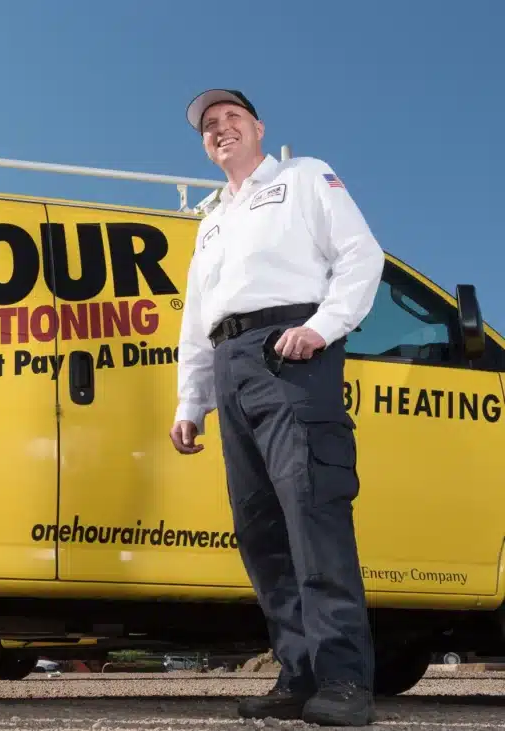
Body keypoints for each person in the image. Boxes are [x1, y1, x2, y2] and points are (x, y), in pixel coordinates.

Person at [171, 89, 384, 727]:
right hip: (229, 362)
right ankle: (299, 676)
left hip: (292, 352)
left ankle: (345, 682)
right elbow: (194, 323)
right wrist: (192, 401)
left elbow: (360, 256)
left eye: (232, 117)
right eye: (210, 125)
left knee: (312, 519)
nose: (221, 128)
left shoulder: (303, 176)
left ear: (258, 128)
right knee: (261, 534)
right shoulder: (209, 220)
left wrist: (322, 327)